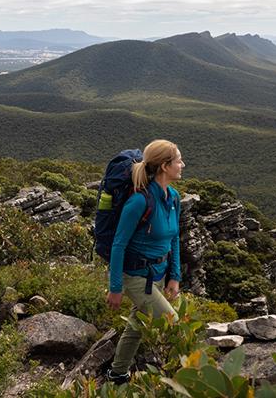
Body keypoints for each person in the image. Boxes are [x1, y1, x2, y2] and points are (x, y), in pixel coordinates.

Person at [106, 139, 184, 384]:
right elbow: (118, 245)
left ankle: (117, 375)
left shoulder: (173, 197)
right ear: (164, 166)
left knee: (136, 327)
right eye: (178, 160)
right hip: (136, 276)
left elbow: (174, 238)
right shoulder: (139, 201)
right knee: (175, 325)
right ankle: (183, 382)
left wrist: (175, 276)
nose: (182, 165)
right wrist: (116, 288)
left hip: (159, 274)